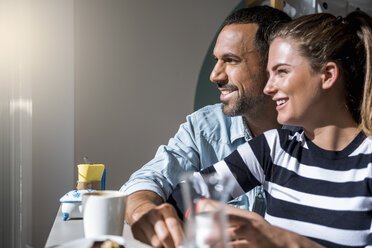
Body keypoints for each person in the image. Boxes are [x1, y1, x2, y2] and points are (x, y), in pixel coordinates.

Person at [194, 10, 372, 247]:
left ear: (328, 75)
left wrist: (281, 240)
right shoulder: (272, 148)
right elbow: (187, 195)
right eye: (269, 74)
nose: (268, 88)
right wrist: (198, 210)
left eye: (281, 72)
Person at [119, 6, 291, 248]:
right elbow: (150, 178)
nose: (215, 75)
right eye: (216, 60)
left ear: (274, 65)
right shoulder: (203, 127)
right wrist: (143, 211)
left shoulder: (314, 137)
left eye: (231, 60)